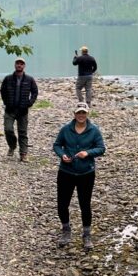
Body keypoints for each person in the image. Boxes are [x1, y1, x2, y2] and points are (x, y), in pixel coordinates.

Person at [52, 103, 106, 250]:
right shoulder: (65, 129)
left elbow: (101, 148)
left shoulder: (94, 130)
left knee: (85, 204)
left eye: (84, 113)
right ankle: (66, 230)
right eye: (79, 113)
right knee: (62, 203)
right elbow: (57, 145)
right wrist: (62, 155)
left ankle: (86, 234)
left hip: (86, 173)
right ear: (74, 114)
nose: (81, 115)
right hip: (66, 172)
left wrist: (87, 153)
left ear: (87, 114)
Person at [0, 57, 38, 162]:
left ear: (24, 66)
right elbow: (2, 90)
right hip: (10, 110)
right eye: (18, 63)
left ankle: (23, 154)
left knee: (23, 133)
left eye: (21, 64)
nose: (19, 65)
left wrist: (30, 103)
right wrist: (5, 101)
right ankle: (12, 146)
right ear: (15, 65)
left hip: (23, 111)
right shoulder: (8, 78)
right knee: (8, 129)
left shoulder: (29, 79)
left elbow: (35, 92)